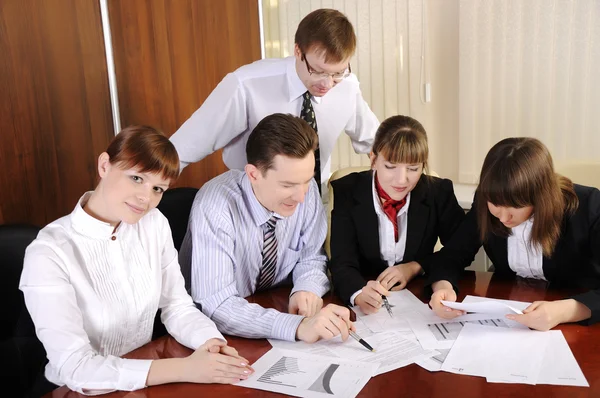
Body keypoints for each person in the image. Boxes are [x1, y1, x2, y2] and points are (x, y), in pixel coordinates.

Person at [20, 126, 252, 395]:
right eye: (136, 178)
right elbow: (75, 366)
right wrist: (186, 368)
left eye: (158, 188)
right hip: (72, 389)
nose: (146, 198)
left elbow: (177, 307)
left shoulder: (153, 224)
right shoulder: (49, 252)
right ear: (105, 165)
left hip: (141, 380)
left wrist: (210, 343)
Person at [180, 113, 354, 343]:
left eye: (306, 180)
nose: (301, 196)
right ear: (253, 175)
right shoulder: (215, 205)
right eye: (288, 185)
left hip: (271, 308)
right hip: (211, 335)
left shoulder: (304, 187)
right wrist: (298, 326)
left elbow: (312, 257)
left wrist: (306, 289)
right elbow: (217, 304)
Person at [170, 8, 379, 193]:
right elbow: (184, 148)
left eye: (337, 73)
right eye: (318, 71)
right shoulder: (246, 84)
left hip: (314, 203)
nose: (327, 84)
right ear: (298, 51)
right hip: (250, 203)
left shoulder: (347, 87)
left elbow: (378, 144)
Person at [428, 137, 600, 330]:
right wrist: (442, 286)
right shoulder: (486, 201)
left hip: (580, 324)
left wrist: (565, 311)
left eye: (515, 206)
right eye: (495, 204)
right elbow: (453, 254)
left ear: (541, 196)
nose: (502, 216)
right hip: (510, 317)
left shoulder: (590, 207)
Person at [328, 115, 465, 313]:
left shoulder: (438, 192)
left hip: (419, 300)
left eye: (413, 168)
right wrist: (358, 293)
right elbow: (342, 262)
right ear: (373, 159)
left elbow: (459, 249)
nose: (402, 180)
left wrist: (416, 266)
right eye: (390, 167)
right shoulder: (347, 190)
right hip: (368, 302)